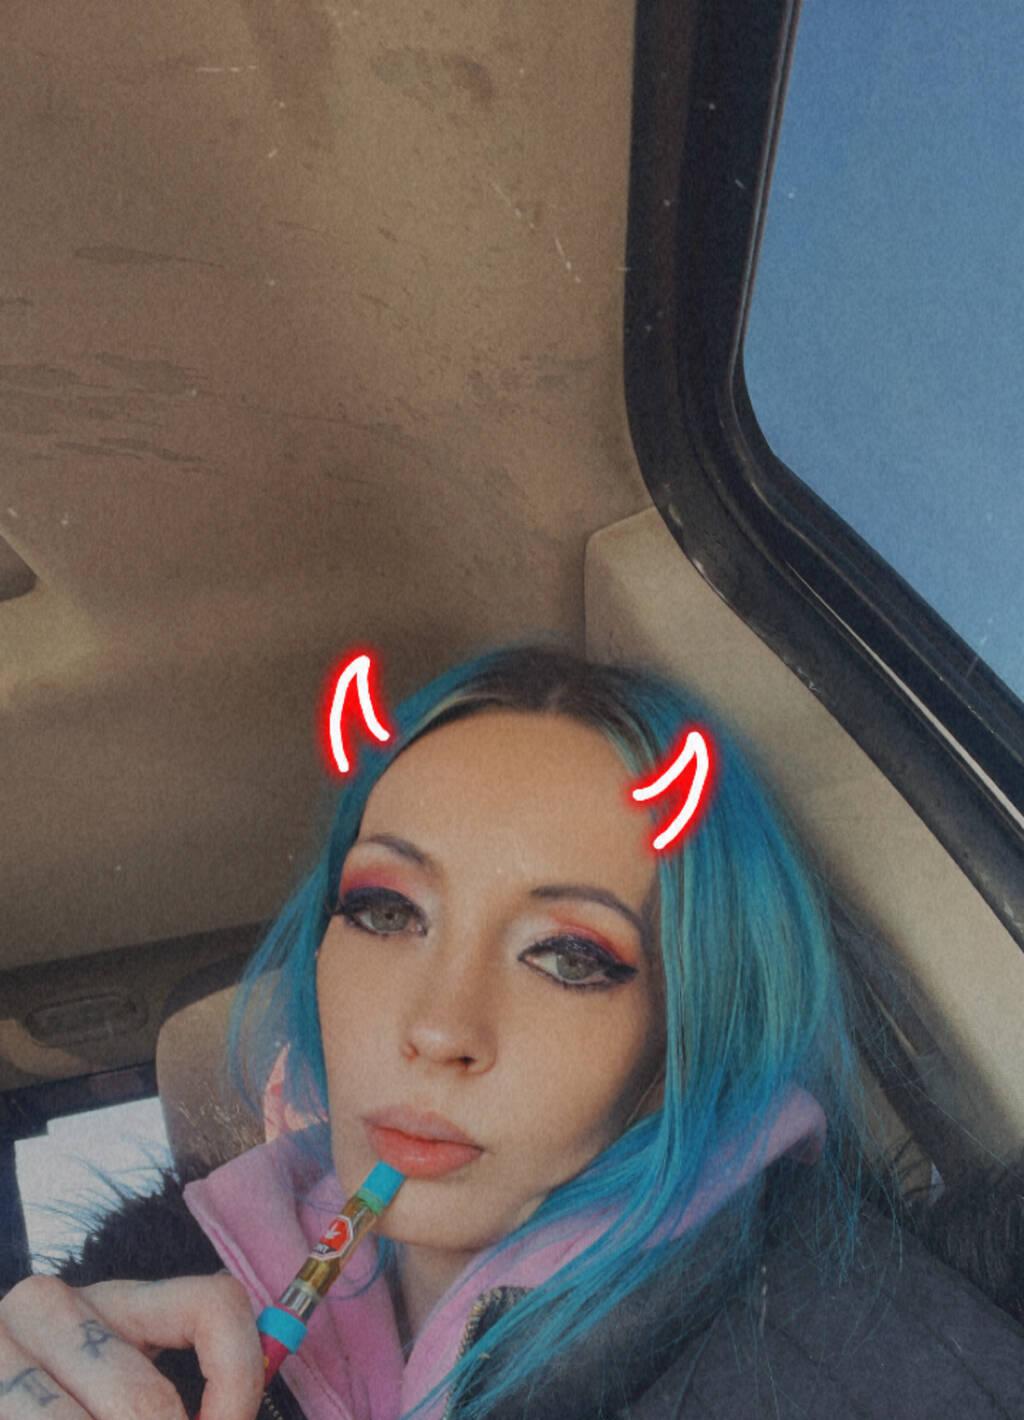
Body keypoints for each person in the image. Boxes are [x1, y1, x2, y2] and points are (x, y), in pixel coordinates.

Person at [2, 643, 1023, 1420]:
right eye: (386, 911)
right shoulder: (141, 1319)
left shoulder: (866, 1353)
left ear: (681, 1039)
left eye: (567, 956)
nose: (440, 1026)